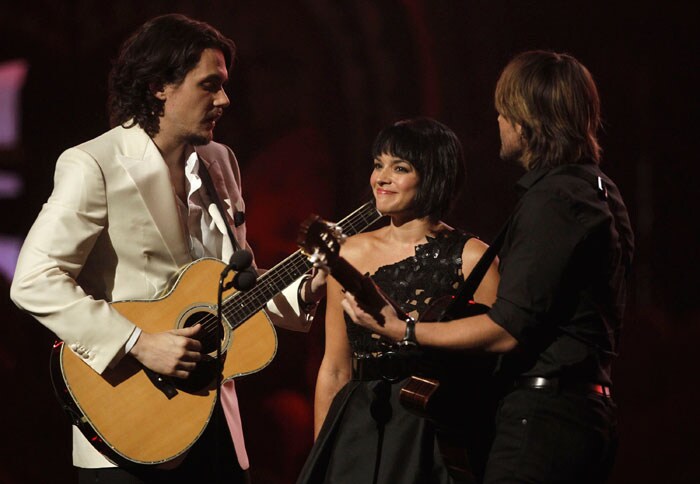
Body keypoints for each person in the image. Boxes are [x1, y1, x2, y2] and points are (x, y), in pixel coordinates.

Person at [10, 13, 325, 483]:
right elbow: (33, 280)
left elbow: (235, 286)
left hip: (214, 418)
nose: (225, 99)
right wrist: (139, 344)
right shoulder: (94, 164)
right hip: (131, 423)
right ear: (160, 86)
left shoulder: (220, 163)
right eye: (210, 85)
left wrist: (307, 287)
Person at [343, 51, 634, 483]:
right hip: (580, 410)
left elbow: (506, 328)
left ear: (527, 120)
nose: (497, 120)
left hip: (543, 417)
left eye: (504, 111)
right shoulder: (598, 190)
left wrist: (403, 329)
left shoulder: (553, 201)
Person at [297, 117, 500, 484]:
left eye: (400, 168)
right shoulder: (350, 252)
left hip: (431, 427)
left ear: (434, 176)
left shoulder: (473, 257)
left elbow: (495, 361)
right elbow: (335, 367)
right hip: (358, 423)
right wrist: (322, 454)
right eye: (378, 165)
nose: (380, 178)